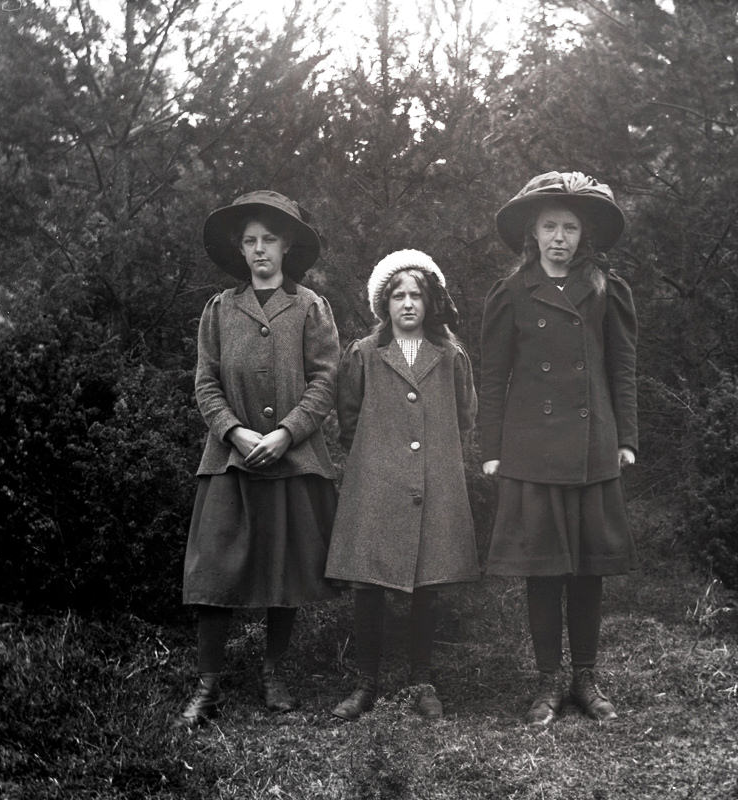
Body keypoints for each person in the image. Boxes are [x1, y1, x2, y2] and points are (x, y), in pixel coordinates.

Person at [478, 171, 638, 726]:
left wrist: (627, 439)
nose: (559, 237)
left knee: (587, 569)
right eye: (549, 225)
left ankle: (585, 679)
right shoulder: (512, 292)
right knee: (542, 569)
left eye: (570, 227)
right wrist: (491, 446)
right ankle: (548, 680)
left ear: (583, 235)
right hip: (531, 447)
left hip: (593, 445)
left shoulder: (606, 289)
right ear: (533, 232)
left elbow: (621, 368)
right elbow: (493, 373)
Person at [176, 190, 340, 729]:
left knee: (284, 567)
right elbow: (205, 383)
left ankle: (274, 672)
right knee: (215, 569)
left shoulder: (311, 307)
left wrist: (288, 433)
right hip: (231, 459)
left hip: (291, 459)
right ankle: (208, 685)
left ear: (288, 245)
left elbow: (325, 380)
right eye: (250, 241)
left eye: (269, 239)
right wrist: (235, 432)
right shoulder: (220, 309)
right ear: (240, 250)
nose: (260, 249)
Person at [325, 249, 479, 721]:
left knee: (424, 586)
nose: (408, 303)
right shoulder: (365, 354)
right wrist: (380, 457)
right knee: (368, 586)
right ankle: (366, 682)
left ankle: (421, 680)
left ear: (431, 303)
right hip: (375, 483)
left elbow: (465, 416)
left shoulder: (450, 356)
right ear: (383, 304)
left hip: (432, 483)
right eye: (398, 295)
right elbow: (347, 420)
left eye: (417, 295)